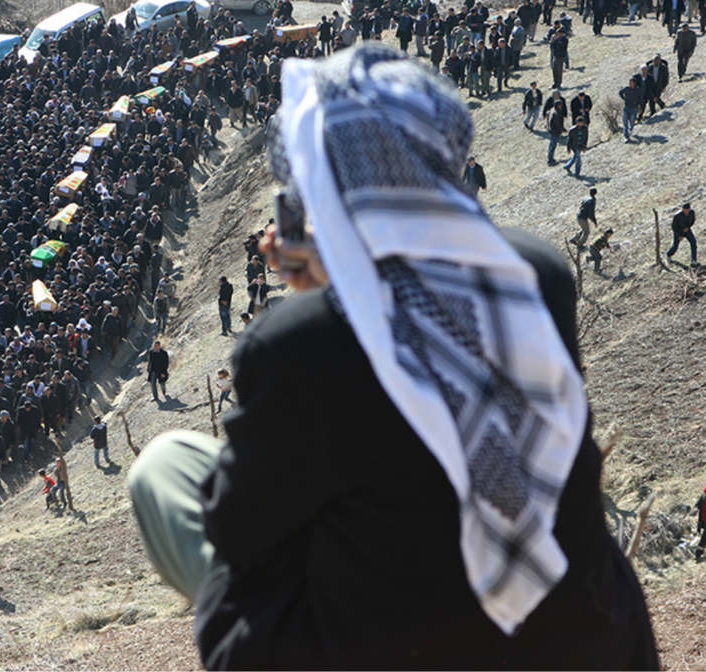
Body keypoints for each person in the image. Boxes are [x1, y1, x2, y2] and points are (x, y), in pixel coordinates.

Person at [128, 44, 658, 669]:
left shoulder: (292, 345)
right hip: (584, 634)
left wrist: (319, 297)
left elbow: (239, 529)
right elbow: (424, 325)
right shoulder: (538, 274)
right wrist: (339, 280)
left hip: (389, 646)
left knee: (164, 468)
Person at [619, 77, 643, 142]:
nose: (630, 84)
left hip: (634, 109)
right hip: (626, 108)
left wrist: (640, 108)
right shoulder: (627, 89)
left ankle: (631, 128)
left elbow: (641, 100)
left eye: (631, 83)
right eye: (629, 83)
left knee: (632, 122)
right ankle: (626, 136)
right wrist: (624, 98)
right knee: (625, 123)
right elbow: (620, 92)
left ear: (634, 83)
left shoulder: (638, 91)